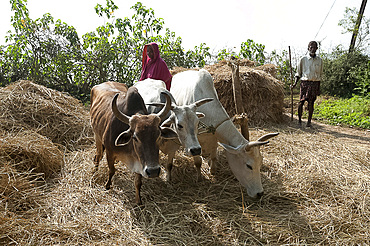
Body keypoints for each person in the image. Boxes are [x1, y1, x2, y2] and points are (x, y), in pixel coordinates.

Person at [291, 41, 323, 127]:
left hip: (315, 83)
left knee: (311, 103)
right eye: (311, 47)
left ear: (317, 49)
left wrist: (319, 87)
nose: (312, 49)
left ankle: (309, 122)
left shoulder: (319, 61)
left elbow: (320, 75)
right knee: (301, 102)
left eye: (314, 47)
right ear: (308, 48)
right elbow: (298, 73)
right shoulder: (303, 59)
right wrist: (294, 84)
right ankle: (300, 121)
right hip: (305, 83)